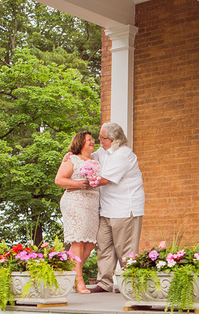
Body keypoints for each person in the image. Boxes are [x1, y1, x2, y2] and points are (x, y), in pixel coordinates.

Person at [88, 122, 145, 293]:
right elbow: (90, 157)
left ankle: (131, 283)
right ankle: (105, 282)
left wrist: (77, 184)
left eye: (102, 138)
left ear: (113, 140)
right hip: (107, 208)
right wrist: (72, 155)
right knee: (104, 245)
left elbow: (104, 179)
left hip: (124, 207)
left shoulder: (123, 155)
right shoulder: (104, 152)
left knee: (125, 247)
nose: (99, 140)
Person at [54, 131, 100, 294]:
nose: (92, 142)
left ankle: (70, 274)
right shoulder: (71, 158)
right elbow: (59, 180)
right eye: (89, 140)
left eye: (93, 140)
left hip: (92, 204)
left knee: (91, 242)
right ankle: (79, 280)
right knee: (78, 241)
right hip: (75, 201)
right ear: (80, 142)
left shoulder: (95, 159)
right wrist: (79, 184)